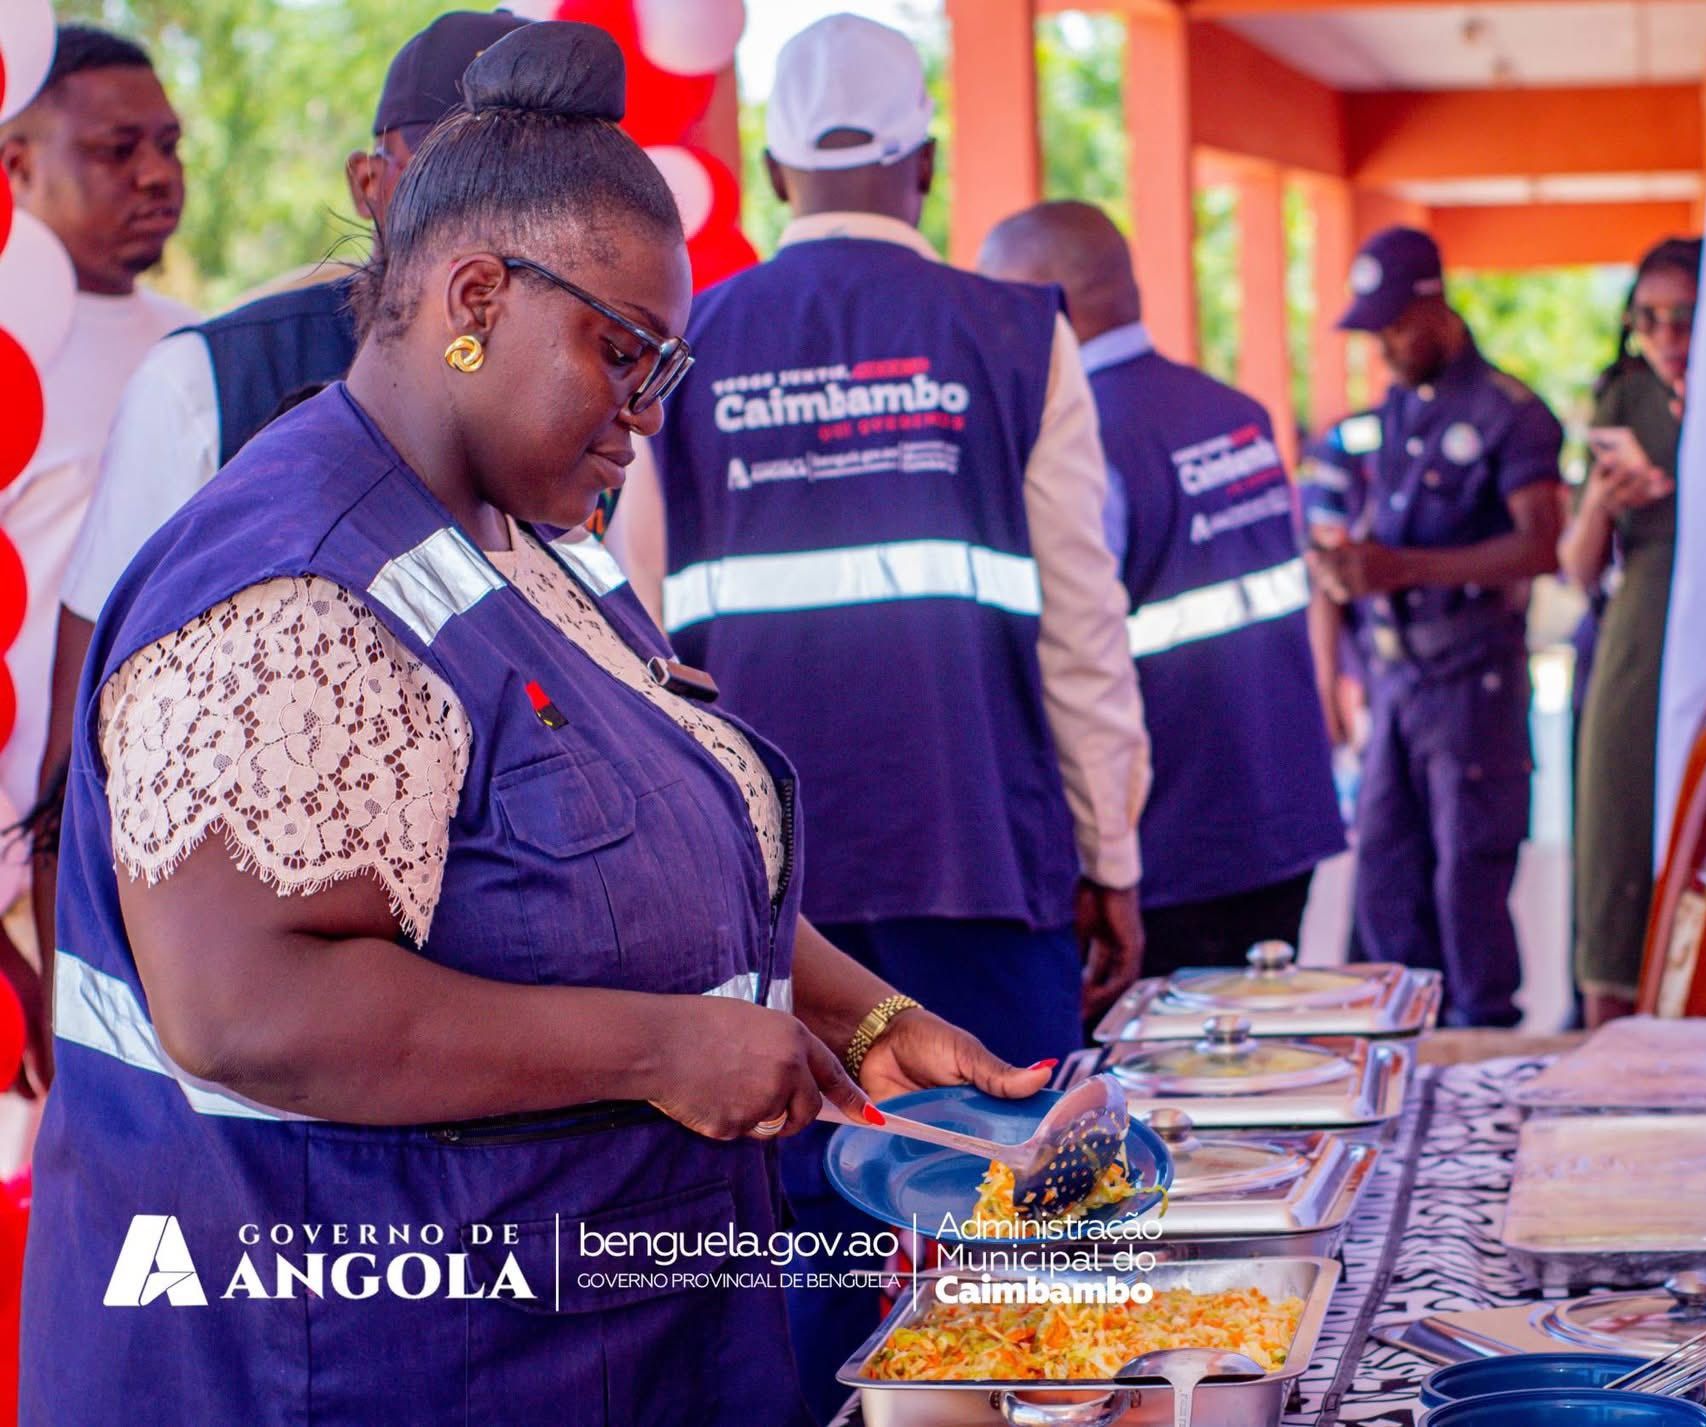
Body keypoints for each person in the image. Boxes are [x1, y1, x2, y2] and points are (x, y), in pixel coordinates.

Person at [21, 24, 1044, 1425]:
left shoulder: (522, 536)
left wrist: (858, 1012)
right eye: (620, 353)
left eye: (662, 372)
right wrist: (660, 1046)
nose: (640, 414)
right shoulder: (290, 582)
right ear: (477, 295)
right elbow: (247, 1002)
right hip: (351, 1359)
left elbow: (632, 845)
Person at [609, 16, 1149, 1415]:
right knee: (1031, 1232)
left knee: (802, 1244)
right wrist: (1117, 857)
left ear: (778, 167)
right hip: (987, 865)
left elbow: (637, 627)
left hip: (772, 901)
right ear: (924, 159)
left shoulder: (685, 345)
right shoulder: (1018, 336)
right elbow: (1084, 629)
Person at [24, 12, 531, 1052]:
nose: (156, 174)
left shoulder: (584, 384)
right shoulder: (207, 376)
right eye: (456, 169)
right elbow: (83, 739)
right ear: (370, 184)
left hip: (464, 981)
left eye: (168, 145)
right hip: (215, 999)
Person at [978, 200, 1346, 974]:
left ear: (1052, 302)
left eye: (999, 299)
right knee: (1268, 1069)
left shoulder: (1081, 446)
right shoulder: (1237, 413)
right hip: (1283, 811)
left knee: (1172, 1081)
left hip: (1176, 842)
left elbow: (1077, 643)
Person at [1302, 226, 1564, 1029]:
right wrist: (1348, 578)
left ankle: (1484, 1063)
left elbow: (1541, 545)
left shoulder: (1509, 415)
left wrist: (1401, 568)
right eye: (1374, 330)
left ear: (1437, 305)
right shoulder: (1386, 415)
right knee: (1384, 874)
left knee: (1468, 886)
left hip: (1474, 680)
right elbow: (1360, 540)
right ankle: (1403, 1060)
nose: (1386, 345)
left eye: (1396, 325)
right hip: (1395, 679)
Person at [0, 24, 189, 1091]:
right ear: (17, 164)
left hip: (164, 871)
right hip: (21, 891)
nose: (158, 173)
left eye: (166, 143)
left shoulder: (207, 348)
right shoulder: (4, 360)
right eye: (117, 150)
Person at [1557, 236, 1703, 1027]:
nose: (1666, 338)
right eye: (1648, 319)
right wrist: (1604, 502)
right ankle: (1607, 1030)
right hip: (1639, 626)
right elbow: (1577, 569)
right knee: (1615, 826)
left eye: (1683, 317)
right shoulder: (1623, 395)